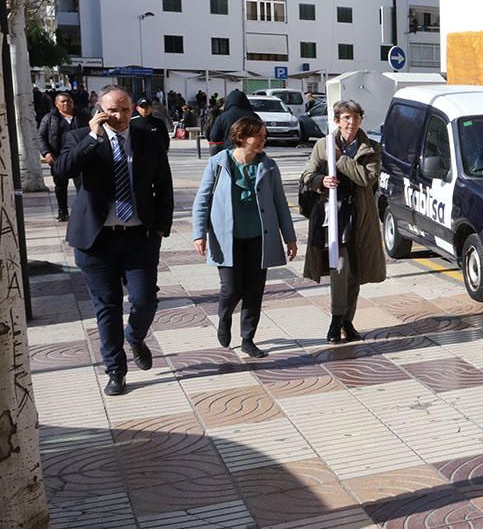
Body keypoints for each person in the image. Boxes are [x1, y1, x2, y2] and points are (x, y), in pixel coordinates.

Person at [55, 85, 173, 396]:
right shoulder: (81, 138)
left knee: (145, 299)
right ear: (99, 108)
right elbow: (63, 169)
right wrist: (93, 138)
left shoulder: (148, 139)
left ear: (133, 108)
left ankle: (135, 336)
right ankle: (116, 370)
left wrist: (161, 228)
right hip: (96, 240)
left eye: (124, 109)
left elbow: (163, 185)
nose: (118, 116)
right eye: (112, 110)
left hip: (138, 237)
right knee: (106, 307)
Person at [192, 117, 297, 358]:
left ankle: (248, 338)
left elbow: (280, 203)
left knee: (254, 290)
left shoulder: (268, 165)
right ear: (241, 137)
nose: (263, 140)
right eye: (258, 136)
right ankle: (224, 317)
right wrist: (199, 234)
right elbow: (202, 200)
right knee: (231, 289)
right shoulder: (219, 163)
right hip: (227, 238)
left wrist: (289, 238)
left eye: (264, 136)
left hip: (259, 237)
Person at [301, 100, 386, 343]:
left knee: (355, 273)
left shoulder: (371, 148)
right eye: (346, 118)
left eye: (356, 117)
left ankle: (348, 321)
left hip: (360, 217)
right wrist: (321, 182)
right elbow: (308, 174)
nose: (351, 122)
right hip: (332, 217)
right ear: (337, 120)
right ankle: (336, 320)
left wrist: (339, 160)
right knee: (340, 268)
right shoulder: (322, 144)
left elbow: (367, 178)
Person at [37, 91, 89, 221]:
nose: (66, 104)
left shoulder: (83, 116)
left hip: (79, 157)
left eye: (69, 101)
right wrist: (47, 153)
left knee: (83, 186)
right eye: (63, 102)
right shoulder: (49, 118)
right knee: (60, 187)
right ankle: (63, 212)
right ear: (56, 104)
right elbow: (40, 137)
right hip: (59, 158)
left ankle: (82, 212)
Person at [209, 91, 260, 156]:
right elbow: (264, 134)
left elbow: (214, 137)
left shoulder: (222, 117)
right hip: (250, 152)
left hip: (229, 153)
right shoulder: (253, 116)